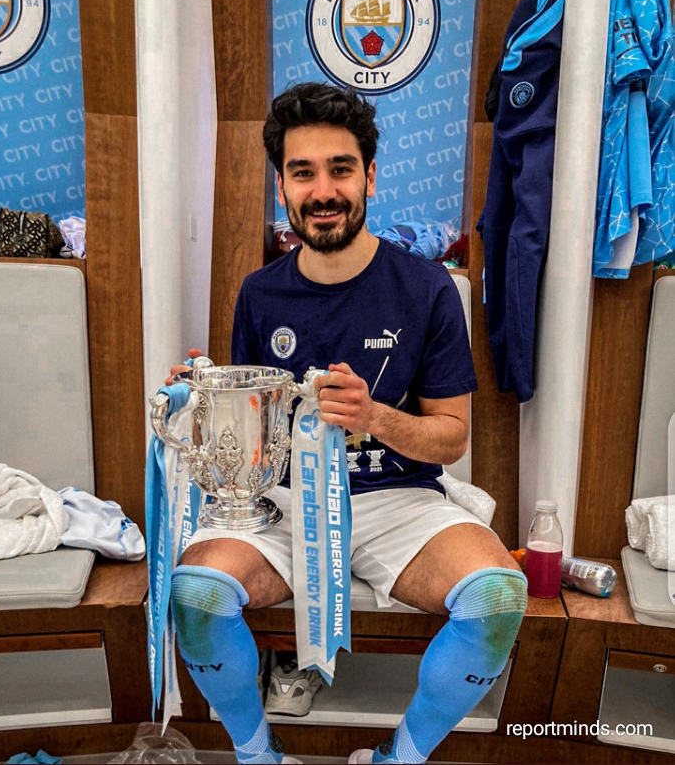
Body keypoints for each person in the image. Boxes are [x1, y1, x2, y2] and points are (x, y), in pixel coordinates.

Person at [166, 82, 526, 765]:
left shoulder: (427, 289)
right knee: (196, 593)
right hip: (283, 504)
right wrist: (204, 400)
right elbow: (250, 440)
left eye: (340, 169)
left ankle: (399, 759)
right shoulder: (259, 293)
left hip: (398, 501)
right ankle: (258, 756)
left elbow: (453, 436)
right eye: (303, 173)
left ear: (370, 177)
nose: (323, 190)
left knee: (499, 597)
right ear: (282, 186)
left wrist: (376, 416)